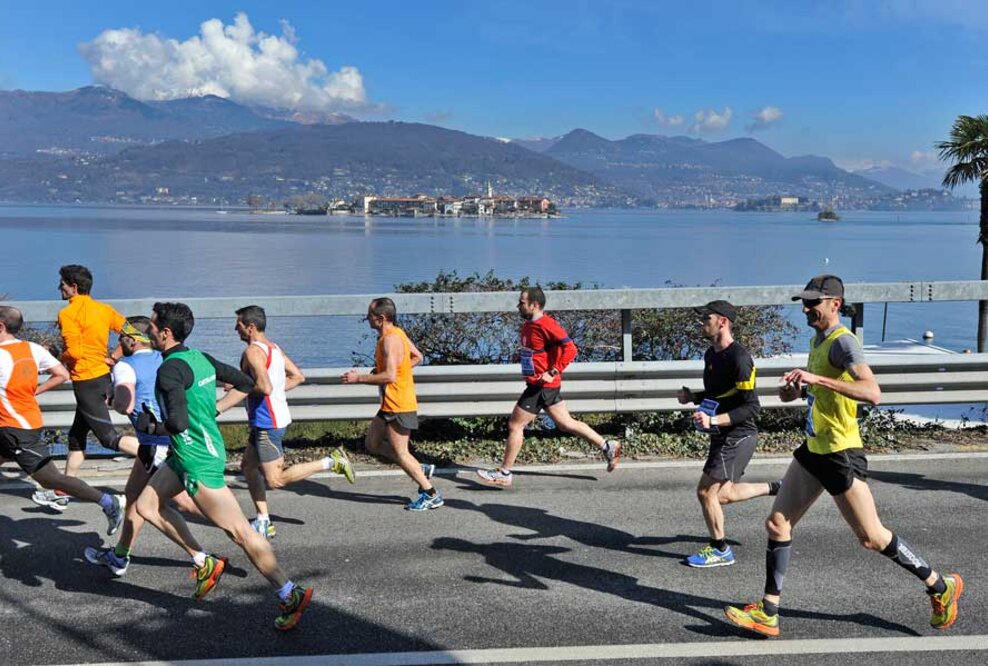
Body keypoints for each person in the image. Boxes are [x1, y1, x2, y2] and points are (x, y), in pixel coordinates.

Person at [724, 275, 962, 637]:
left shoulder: (843, 344)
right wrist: (795, 390)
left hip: (840, 453)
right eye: (804, 303)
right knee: (777, 523)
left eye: (813, 303)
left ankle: (939, 585)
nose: (806, 309)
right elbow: (810, 394)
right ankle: (769, 611)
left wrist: (819, 381)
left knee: (872, 537)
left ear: (835, 304)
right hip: (815, 449)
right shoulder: (817, 340)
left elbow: (872, 392)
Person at [133, 302, 312, 631]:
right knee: (146, 505)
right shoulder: (200, 357)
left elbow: (177, 421)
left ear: (166, 333)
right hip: (185, 453)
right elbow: (245, 383)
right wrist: (215, 409)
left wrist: (150, 426)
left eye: (153, 327)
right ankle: (203, 561)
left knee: (241, 533)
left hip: (195, 459)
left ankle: (290, 593)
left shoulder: (169, 370)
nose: (149, 332)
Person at [83, 316, 199, 576]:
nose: (118, 341)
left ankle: (215, 548)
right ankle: (120, 556)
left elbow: (126, 404)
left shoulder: (126, 366)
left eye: (121, 336)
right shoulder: (166, 359)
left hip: (156, 445)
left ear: (132, 340)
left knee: (182, 504)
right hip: (166, 439)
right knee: (134, 496)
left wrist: (114, 398)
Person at [477, 287, 621, 487]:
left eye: (522, 302)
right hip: (541, 385)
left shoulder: (547, 324)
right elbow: (537, 350)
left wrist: (553, 371)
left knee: (515, 425)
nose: (518, 305)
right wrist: (523, 356)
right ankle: (607, 445)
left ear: (534, 305)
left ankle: (504, 472)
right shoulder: (528, 325)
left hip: (541, 386)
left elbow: (571, 349)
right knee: (566, 424)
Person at [0, 306, 126, 534]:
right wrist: (36, 390)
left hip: (16, 430)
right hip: (22, 422)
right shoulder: (32, 348)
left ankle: (109, 502)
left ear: (1, 326)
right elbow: (62, 374)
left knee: (50, 479)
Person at [235, 305, 355, 539]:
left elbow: (264, 386)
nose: (234, 329)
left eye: (238, 325)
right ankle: (263, 520)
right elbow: (298, 377)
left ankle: (331, 462)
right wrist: (272, 391)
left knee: (275, 479)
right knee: (248, 467)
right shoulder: (274, 349)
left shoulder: (252, 352)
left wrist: (242, 388)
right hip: (272, 417)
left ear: (250, 327)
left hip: (267, 422)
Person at [677, 300, 781, 568]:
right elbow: (718, 394)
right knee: (723, 495)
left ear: (722, 321)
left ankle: (720, 549)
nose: (702, 323)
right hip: (721, 431)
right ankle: (777, 488)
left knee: (705, 493)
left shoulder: (740, 358)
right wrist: (694, 397)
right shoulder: (711, 354)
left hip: (739, 434)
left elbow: (752, 407)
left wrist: (714, 419)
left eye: (706, 319)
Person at [33, 265, 138, 510]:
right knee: (76, 437)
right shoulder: (104, 309)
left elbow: (76, 351)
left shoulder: (68, 314)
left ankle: (162, 456)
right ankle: (62, 490)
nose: (59, 287)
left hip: (86, 382)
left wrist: (57, 363)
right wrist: (114, 356)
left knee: (108, 438)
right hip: (102, 376)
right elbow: (134, 334)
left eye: (62, 283)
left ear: (74, 287)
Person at [341, 298, 441, 511]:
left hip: (399, 404)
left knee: (401, 453)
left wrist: (358, 378)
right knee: (373, 444)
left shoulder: (390, 340)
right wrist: (395, 369)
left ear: (381, 318)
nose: (366, 318)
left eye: (369, 315)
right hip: (389, 404)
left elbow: (389, 376)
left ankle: (430, 493)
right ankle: (416, 467)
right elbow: (418, 357)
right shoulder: (397, 333)